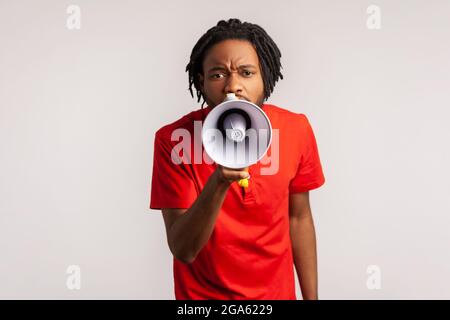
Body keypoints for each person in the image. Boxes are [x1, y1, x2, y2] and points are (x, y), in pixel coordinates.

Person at [150, 18, 325, 300]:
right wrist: (219, 181)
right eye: (218, 74)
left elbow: (299, 218)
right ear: (201, 81)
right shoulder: (173, 139)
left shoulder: (296, 129)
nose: (233, 87)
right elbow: (183, 249)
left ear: (264, 77)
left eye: (246, 72)